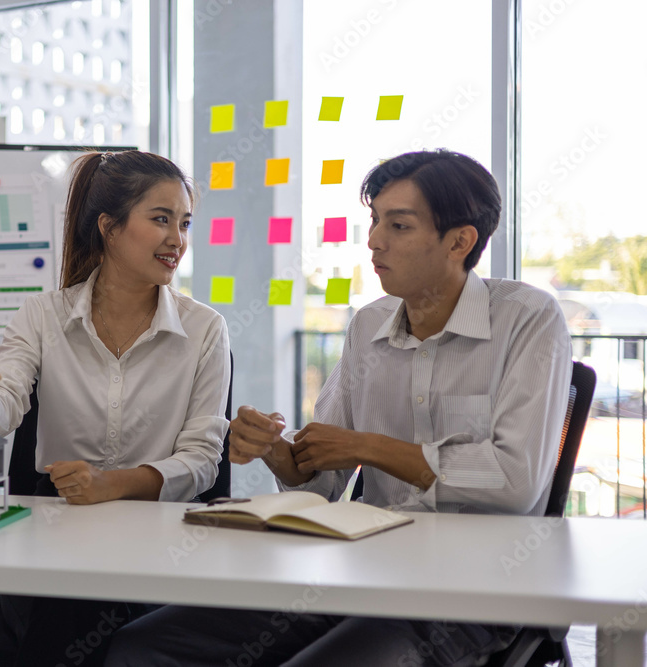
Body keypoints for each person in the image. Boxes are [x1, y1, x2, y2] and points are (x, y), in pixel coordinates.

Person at [105, 149, 573, 667]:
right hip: (359, 567)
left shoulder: (528, 319)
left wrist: (368, 447)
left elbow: (515, 481)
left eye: (398, 225)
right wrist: (277, 452)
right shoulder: (368, 326)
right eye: (375, 221)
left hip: (474, 588)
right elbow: (321, 481)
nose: (374, 240)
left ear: (460, 241)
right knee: (141, 647)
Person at [0, 149, 231, 666]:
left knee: (65, 625)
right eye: (160, 220)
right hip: (57, 541)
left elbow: (204, 460)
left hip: (158, 545)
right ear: (109, 228)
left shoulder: (204, 329)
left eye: (184, 223)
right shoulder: (42, 315)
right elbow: (1, 411)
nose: (176, 240)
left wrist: (111, 484)